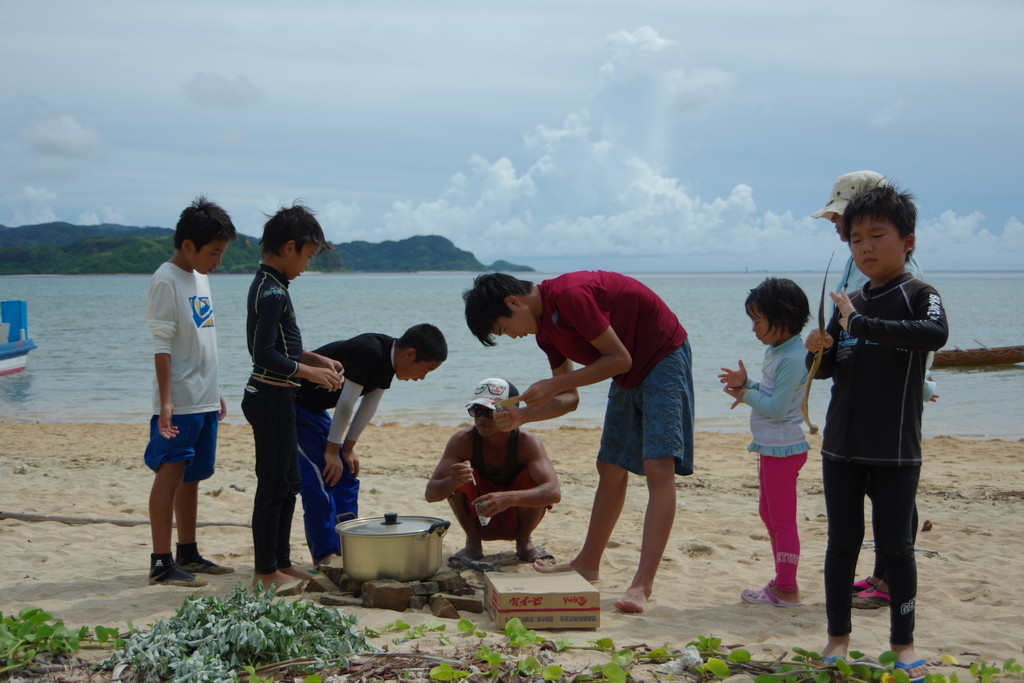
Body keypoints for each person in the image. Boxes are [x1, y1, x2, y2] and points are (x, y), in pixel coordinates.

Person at [463, 271, 694, 613]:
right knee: (609, 465)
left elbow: (619, 358)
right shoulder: (546, 335)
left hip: (663, 356)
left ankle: (641, 584)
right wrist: (522, 416)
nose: (512, 336)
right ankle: (588, 562)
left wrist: (554, 385)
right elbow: (570, 399)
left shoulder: (570, 294)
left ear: (514, 302)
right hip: (626, 371)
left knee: (658, 466)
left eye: (503, 329)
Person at [804, 185, 947, 679]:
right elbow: (825, 371)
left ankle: (903, 645)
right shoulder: (853, 300)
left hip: (895, 448)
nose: (865, 247)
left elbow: (934, 335)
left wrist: (859, 324)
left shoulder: (919, 295)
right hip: (841, 446)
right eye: (855, 239)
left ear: (908, 240)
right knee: (841, 545)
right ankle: (836, 639)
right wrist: (817, 347)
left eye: (877, 235)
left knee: (896, 548)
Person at [242, 204, 344, 591]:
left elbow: (282, 347)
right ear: (288, 247)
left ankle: (281, 562)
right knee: (272, 485)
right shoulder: (270, 291)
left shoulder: (275, 286)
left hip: (279, 396)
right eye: (307, 256)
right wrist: (311, 373)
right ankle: (265, 569)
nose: (306, 265)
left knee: (289, 482)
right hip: (267, 396)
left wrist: (315, 358)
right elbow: (262, 353)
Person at [143, 196, 238, 587]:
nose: (218, 261)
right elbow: (162, 345)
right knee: (170, 473)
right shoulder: (165, 280)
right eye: (214, 253)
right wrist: (167, 401)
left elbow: (201, 340)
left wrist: (214, 390)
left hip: (203, 397)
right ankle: (161, 561)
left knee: (192, 476)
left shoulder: (201, 278)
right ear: (188, 246)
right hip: (179, 400)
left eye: (221, 253)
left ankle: (188, 551)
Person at [296, 324, 448, 567]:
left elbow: (369, 406)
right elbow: (347, 402)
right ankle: (325, 555)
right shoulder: (371, 351)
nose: (422, 377)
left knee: (345, 473)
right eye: (426, 369)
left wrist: (347, 449)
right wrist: (332, 450)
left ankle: (348, 546)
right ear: (410, 354)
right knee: (321, 476)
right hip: (291, 403)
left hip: (314, 410)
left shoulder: (390, 360)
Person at [719, 278, 810, 607]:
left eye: (758, 321)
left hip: (784, 448)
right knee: (769, 515)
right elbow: (772, 393)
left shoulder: (793, 356)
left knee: (782, 520)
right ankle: (783, 580)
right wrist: (749, 384)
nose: (754, 329)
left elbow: (776, 407)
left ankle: (786, 587)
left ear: (782, 318)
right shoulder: (779, 351)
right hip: (772, 446)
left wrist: (745, 395)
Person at [424, 377, 561, 566]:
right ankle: (473, 544)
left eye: (489, 412)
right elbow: (430, 494)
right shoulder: (462, 441)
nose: (480, 417)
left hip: (516, 515)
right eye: (476, 410)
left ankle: (524, 542)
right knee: (460, 475)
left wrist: (508, 498)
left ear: (512, 412)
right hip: (479, 517)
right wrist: (452, 482)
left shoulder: (527, 443)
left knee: (534, 479)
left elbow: (554, 492)